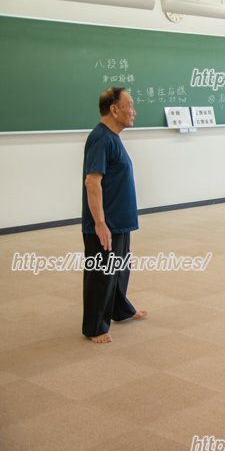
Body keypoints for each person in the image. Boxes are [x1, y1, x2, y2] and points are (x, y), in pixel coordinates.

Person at [81, 87, 147, 344]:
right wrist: (99, 223)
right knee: (102, 273)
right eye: (129, 105)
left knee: (118, 270)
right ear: (114, 109)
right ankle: (95, 327)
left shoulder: (113, 137)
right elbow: (92, 182)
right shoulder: (101, 138)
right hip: (105, 224)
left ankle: (120, 309)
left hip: (119, 222)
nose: (134, 111)